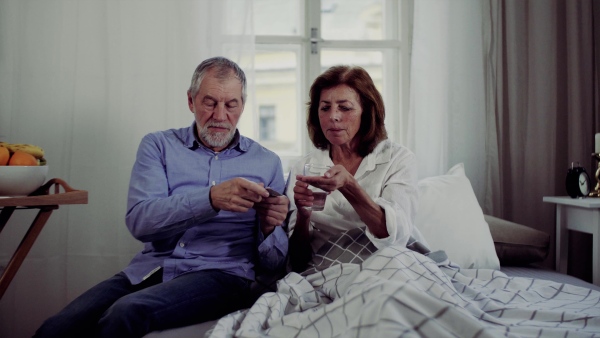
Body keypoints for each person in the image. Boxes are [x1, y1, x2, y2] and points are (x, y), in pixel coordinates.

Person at [34, 56, 289, 337]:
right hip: (152, 268)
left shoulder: (267, 163)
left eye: (231, 104)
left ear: (242, 105)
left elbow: (273, 265)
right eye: (209, 102)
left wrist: (268, 228)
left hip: (223, 276)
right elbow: (140, 222)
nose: (220, 115)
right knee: (55, 329)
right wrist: (211, 199)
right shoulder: (158, 146)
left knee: (127, 313)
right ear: (191, 101)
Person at [287, 65, 426, 272]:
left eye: (344, 107)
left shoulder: (398, 159)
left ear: (367, 112)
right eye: (325, 108)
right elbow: (297, 260)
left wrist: (350, 186)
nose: (333, 116)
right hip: (329, 268)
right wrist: (303, 216)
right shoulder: (303, 167)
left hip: (386, 266)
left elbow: (394, 238)